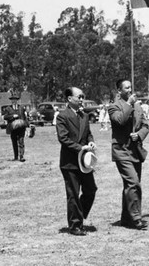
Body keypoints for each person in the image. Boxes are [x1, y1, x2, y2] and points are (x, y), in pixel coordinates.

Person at [108, 79, 149, 230]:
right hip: (121, 151)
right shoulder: (114, 107)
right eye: (126, 88)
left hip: (135, 150)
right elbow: (120, 120)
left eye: (131, 87)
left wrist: (139, 135)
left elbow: (145, 125)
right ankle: (136, 218)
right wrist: (129, 104)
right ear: (119, 91)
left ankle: (126, 218)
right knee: (133, 183)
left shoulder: (138, 106)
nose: (130, 90)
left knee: (131, 184)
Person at [56, 87, 98, 236]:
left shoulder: (84, 116)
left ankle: (79, 216)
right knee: (73, 194)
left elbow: (88, 134)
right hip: (70, 163)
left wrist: (91, 142)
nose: (82, 99)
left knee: (91, 190)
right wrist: (81, 148)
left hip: (85, 162)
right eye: (79, 97)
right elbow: (63, 138)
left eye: (83, 96)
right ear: (69, 99)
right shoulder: (62, 116)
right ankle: (75, 225)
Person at [3, 93, 32, 162]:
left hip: (21, 127)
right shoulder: (8, 108)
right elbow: (5, 117)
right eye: (13, 100)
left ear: (17, 100)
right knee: (14, 142)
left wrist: (28, 125)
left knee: (21, 141)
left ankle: (21, 156)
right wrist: (12, 116)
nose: (14, 101)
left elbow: (24, 117)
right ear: (11, 100)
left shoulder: (21, 108)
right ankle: (16, 157)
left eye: (15, 100)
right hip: (13, 128)